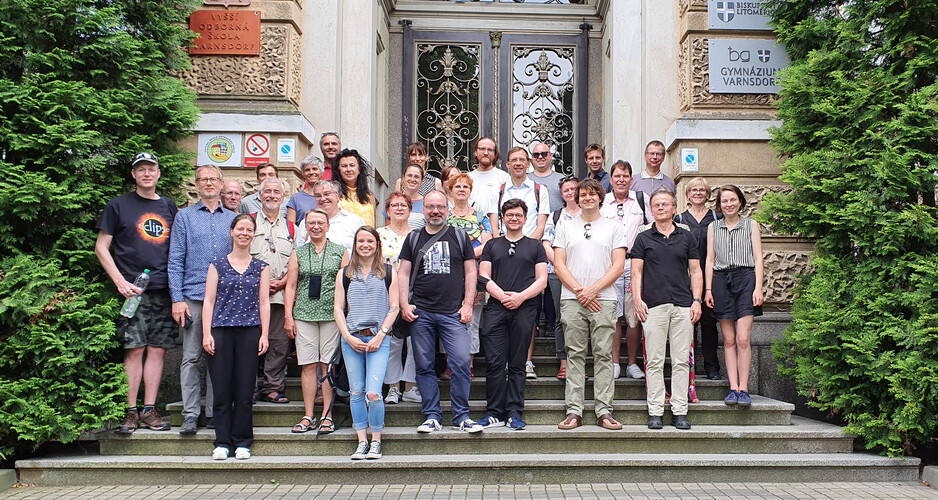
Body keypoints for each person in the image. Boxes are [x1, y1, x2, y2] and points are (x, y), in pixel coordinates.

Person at [95, 152, 177, 434]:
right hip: (133, 292)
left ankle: (149, 411)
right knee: (134, 350)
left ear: (158, 173)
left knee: (157, 351)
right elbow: (101, 247)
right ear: (133, 175)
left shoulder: (168, 206)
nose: (146, 174)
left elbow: (176, 250)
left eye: (151, 169)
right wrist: (119, 281)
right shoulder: (118, 206)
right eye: (140, 169)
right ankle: (130, 412)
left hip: (164, 290)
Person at [398, 191, 481, 434]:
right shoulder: (413, 238)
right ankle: (432, 415)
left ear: (448, 209)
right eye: (430, 207)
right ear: (423, 209)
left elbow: (471, 272)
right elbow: (403, 273)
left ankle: (461, 416)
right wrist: (404, 304)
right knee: (424, 365)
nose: (435, 211)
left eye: (440, 207)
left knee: (461, 363)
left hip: (452, 313)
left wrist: (467, 305)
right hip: (421, 312)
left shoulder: (459, 235)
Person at [168, 164, 238, 435]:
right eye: (203, 179)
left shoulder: (231, 219)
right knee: (191, 357)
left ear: (222, 184)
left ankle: (213, 412)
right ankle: (189, 414)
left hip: (223, 300)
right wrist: (177, 299)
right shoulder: (184, 217)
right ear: (197, 185)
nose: (208, 183)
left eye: (213, 179)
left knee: (218, 357)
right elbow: (175, 260)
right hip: (194, 297)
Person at [553, 179, 626, 431]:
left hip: (604, 300)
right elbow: (559, 263)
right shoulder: (565, 226)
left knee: (604, 355)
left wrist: (593, 290)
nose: (587, 198)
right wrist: (580, 291)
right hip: (572, 300)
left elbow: (618, 265)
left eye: (592, 194)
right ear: (575, 197)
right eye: (582, 194)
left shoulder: (614, 227)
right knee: (574, 354)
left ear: (600, 197)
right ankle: (574, 411)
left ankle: (604, 411)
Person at [631, 188, 703, 431]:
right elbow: (636, 271)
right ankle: (656, 411)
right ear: (651, 211)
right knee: (654, 361)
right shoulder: (643, 238)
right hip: (653, 306)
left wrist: (697, 300)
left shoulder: (687, 237)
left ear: (674, 208)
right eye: (656, 205)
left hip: (683, 305)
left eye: (665, 204)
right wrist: (637, 300)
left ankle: (680, 411)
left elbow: (696, 271)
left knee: (681, 360)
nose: (660, 208)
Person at [201, 214, 270, 460]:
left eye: (249, 229)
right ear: (231, 232)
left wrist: (264, 334)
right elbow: (208, 301)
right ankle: (222, 442)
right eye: (240, 228)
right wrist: (206, 333)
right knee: (221, 389)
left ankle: (242, 442)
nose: (244, 233)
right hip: (220, 330)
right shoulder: (217, 264)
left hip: (249, 330)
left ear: (253, 234)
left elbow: (264, 302)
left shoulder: (261, 267)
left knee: (244, 389)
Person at [477, 199, 548, 430]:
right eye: (509, 215)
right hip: (497, 309)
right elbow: (484, 276)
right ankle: (494, 412)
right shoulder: (492, 245)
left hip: (525, 309)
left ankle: (514, 412)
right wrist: (503, 296)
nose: (514, 218)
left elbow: (542, 280)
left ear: (525, 218)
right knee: (495, 363)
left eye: (518, 215)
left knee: (518, 363)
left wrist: (519, 297)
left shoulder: (535, 246)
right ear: (503, 218)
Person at [333, 226, 400, 460]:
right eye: (360, 241)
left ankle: (376, 441)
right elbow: (338, 309)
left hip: (378, 338)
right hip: (352, 338)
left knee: (374, 393)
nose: (365, 245)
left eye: (369, 241)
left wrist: (381, 334)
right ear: (355, 244)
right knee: (356, 391)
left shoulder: (388, 272)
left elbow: (395, 307)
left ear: (377, 244)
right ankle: (361, 441)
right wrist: (347, 336)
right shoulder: (344, 274)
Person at [283, 209, 349, 434]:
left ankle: (327, 415)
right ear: (306, 227)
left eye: (320, 222)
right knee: (308, 365)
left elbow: (346, 286)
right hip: (303, 314)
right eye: (311, 223)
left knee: (327, 365)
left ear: (328, 226)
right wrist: (288, 316)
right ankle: (308, 414)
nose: (316, 226)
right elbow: (291, 286)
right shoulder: (298, 253)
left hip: (331, 315)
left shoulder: (341, 252)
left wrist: (345, 315)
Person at [706, 185, 764, 408]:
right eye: (724, 201)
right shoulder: (713, 227)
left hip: (746, 278)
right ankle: (733, 388)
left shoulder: (751, 225)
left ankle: (744, 389)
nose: (728, 204)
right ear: (719, 205)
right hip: (721, 280)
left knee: (742, 338)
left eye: (732, 200)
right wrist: (709, 290)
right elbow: (710, 260)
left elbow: (758, 258)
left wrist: (758, 288)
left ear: (740, 201)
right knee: (728, 340)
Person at [598, 160, 648, 381]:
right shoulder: (603, 202)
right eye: (617, 176)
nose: (621, 179)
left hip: (635, 263)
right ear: (610, 180)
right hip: (609, 265)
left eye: (625, 176)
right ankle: (615, 362)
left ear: (631, 179)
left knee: (634, 314)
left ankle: (633, 364)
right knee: (613, 314)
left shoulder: (641, 200)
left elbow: (652, 229)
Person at [442, 173, 494, 379]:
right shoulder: (444, 215)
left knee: (471, 320)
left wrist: (466, 255)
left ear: (470, 191)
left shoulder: (480, 217)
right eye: (457, 186)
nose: (462, 189)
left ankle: (468, 364)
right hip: (448, 276)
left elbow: (488, 242)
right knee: (448, 319)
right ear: (450, 191)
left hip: (474, 273)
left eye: (465, 186)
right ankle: (449, 365)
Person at [249, 177, 295, 405]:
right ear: (259, 196)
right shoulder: (248, 223)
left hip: (279, 297)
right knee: (250, 342)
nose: (272, 195)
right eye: (267, 191)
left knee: (278, 344)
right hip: (251, 296)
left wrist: (284, 281)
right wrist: (259, 281)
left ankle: (272, 387)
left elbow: (296, 264)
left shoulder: (291, 228)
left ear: (283, 198)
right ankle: (249, 387)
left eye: (277, 192)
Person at [676, 177, 723, 380]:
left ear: (708, 194)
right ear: (687, 194)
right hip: (685, 278)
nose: (698, 193)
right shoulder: (679, 219)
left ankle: (712, 367)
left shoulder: (716, 217)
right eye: (694, 190)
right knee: (687, 324)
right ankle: (687, 367)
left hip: (711, 277)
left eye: (702, 190)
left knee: (709, 322)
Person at [378, 193, 422, 405]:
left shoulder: (419, 235)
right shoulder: (378, 235)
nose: (399, 208)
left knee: (415, 340)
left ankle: (411, 386)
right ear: (387, 210)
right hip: (387, 293)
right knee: (393, 341)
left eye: (403, 205)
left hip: (416, 293)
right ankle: (393, 387)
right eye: (394, 204)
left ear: (410, 210)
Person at [542, 175, 580, 379]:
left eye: (573, 188)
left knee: (582, 319)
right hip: (558, 273)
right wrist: (560, 265)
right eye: (566, 190)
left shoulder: (589, 214)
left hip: (585, 274)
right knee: (562, 318)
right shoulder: (556, 216)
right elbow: (546, 243)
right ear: (562, 194)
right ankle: (564, 362)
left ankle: (578, 363)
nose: (570, 192)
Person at [489, 147, 550, 239]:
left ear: (528, 164)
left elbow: (541, 226)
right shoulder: (497, 191)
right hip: (504, 248)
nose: (518, 163)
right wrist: (500, 246)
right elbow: (494, 226)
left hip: (530, 248)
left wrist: (527, 246)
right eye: (514, 160)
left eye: (522, 160)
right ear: (507, 164)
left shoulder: (540, 191)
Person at [295, 180, 366, 253]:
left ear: (338, 196)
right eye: (318, 196)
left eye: (327, 194)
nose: (322, 199)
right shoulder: (306, 223)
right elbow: (299, 253)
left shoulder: (354, 221)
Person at [467, 137, 510, 219]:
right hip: (471, 225)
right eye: (482, 149)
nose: (486, 153)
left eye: (490, 150)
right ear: (476, 152)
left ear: (495, 154)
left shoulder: (504, 177)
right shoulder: (467, 177)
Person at [334, 148, 377, 226]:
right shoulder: (333, 194)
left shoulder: (370, 197)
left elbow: (373, 226)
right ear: (338, 170)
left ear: (359, 169)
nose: (348, 169)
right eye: (344, 166)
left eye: (352, 165)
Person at [384, 163, 426, 230]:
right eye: (409, 175)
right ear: (403, 178)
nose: (412, 179)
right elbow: (388, 230)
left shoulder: (427, 204)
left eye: (416, 177)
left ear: (422, 180)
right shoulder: (392, 202)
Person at [286, 155, 323, 228]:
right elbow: (290, 227)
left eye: (314, 169)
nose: (311, 172)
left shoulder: (329, 196)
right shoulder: (295, 199)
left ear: (321, 172)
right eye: (307, 170)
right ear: (303, 174)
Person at [528, 142, 565, 213]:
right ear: (532, 157)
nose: (540, 157)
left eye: (544, 154)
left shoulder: (562, 180)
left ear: (550, 156)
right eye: (536, 155)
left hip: (556, 223)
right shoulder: (526, 180)